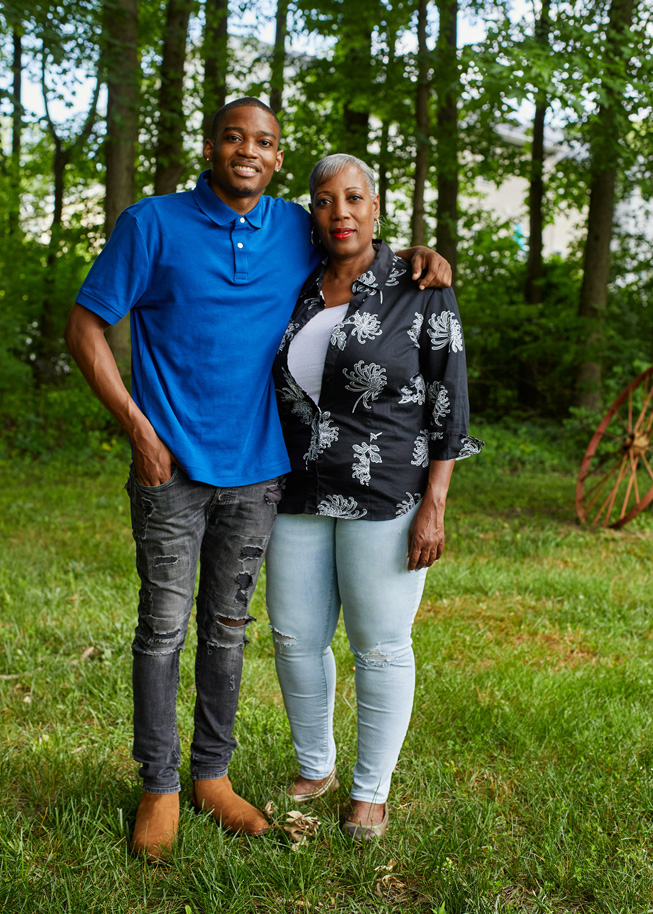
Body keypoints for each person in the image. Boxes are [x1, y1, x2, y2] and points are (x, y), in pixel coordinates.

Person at [64, 98, 452, 860]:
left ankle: (212, 775)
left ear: (277, 159)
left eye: (264, 142)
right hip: (170, 469)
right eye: (234, 137)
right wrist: (140, 434)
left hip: (261, 473)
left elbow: (354, 243)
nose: (248, 150)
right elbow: (85, 328)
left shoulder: (291, 230)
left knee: (229, 630)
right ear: (210, 146)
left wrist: (422, 256)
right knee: (162, 629)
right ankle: (160, 784)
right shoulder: (152, 224)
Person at [265, 153, 483, 840]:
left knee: (380, 646)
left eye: (353, 198)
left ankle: (369, 790)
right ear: (311, 213)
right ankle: (315, 765)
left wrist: (435, 506)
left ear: (375, 206)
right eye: (325, 201)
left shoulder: (419, 286)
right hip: (296, 487)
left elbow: (450, 404)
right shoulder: (291, 285)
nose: (341, 213)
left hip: (387, 491)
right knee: (295, 637)